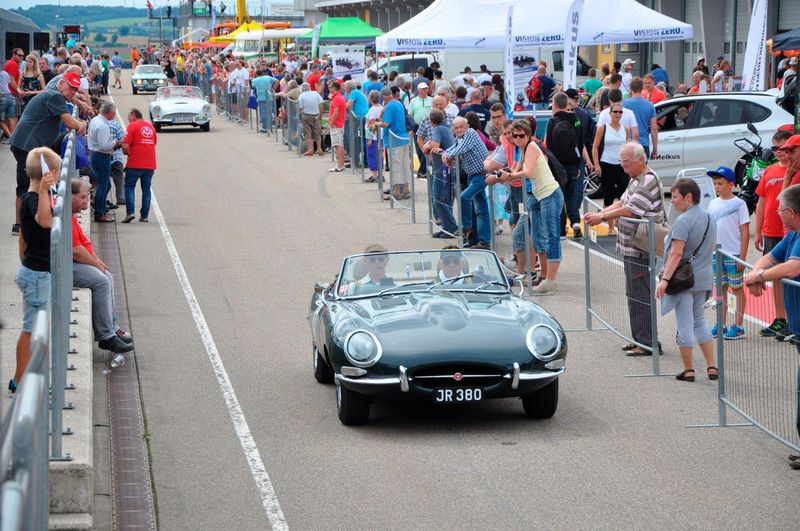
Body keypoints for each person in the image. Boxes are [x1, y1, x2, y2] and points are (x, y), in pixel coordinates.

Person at [584, 142, 666, 356]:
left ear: (641, 160)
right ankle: (640, 337)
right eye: (622, 162)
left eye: (626, 162)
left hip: (640, 247)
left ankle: (647, 342)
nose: (622, 166)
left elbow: (630, 210)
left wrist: (600, 216)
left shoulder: (647, 180)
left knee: (639, 293)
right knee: (634, 293)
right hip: (633, 245)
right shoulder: (636, 179)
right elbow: (621, 203)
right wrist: (601, 212)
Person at [743, 184, 800, 469]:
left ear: (790, 212)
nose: (776, 213)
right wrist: (755, 274)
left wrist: (760, 276)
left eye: (779, 209)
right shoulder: (792, 236)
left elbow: (791, 268)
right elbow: (770, 257)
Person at [655, 178, 717, 382]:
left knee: (684, 322)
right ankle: (711, 366)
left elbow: (676, 254)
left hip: (683, 279)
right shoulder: (709, 217)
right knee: (699, 320)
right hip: (704, 277)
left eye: (674, 197)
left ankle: (689, 369)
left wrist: (664, 280)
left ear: (688, 197)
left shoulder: (683, 221)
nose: (671, 201)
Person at [10, 71, 87, 235]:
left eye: (75, 89)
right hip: (26, 145)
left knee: (33, 184)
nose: (73, 91)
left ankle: (28, 221)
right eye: (70, 87)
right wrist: (82, 125)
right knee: (25, 186)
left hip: (29, 145)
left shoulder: (56, 94)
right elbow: (70, 124)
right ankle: (20, 225)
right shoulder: (55, 97)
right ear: (61, 84)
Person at [10, 147, 59, 394]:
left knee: (32, 329)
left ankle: (20, 378)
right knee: (31, 330)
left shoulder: (31, 198)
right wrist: (43, 190)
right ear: (47, 173)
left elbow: (23, 240)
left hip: (32, 271)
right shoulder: (32, 199)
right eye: (57, 173)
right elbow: (46, 221)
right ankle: (22, 380)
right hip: (37, 275)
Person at [496, 119, 564, 294]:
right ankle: (542, 274)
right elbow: (514, 169)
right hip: (538, 195)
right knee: (537, 235)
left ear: (529, 135)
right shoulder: (523, 149)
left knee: (551, 235)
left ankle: (551, 280)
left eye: (521, 136)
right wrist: (500, 175)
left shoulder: (532, 147)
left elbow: (528, 173)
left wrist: (509, 177)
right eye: (515, 136)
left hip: (549, 194)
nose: (517, 139)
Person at [70, 179, 134, 355]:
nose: (85, 201)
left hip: (72, 261)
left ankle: (112, 327)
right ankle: (106, 336)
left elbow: (84, 243)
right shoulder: (63, 214)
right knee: (101, 281)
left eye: (87, 196)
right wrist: (95, 263)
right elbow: (75, 251)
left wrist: (97, 260)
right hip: (62, 266)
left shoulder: (71, 214)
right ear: (70, 196)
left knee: (107, 275)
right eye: (82, 197)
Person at [754, 130, 793, 338]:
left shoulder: (795, 172)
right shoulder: (769, 171)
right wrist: (759, 230)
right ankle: (780, 318)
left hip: (790, 231)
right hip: (771, 230)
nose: (778, 152)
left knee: (790, 275)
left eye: (782, 148)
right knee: (776, 277)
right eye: (775, 148)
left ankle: (791, 318)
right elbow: (761, 202)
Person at [707, 166, 750, 340]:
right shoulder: (712, 203)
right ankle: (721, 323)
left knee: (737, 288)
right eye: (715, 183)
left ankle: (738, 326)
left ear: (731, 184)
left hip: (733, 253)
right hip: (717, 253)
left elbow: (745, 231)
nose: (717, 187)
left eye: (720, 183)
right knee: (720, 288)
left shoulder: (739, 204)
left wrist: (743, 256)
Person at [439, 116, 490, 249]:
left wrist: (446, 155)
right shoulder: (459, 139)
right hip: (472, 176)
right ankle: (481, 241)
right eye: (456, 128)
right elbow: (453, 148)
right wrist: (446, 154)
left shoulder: (471, 134)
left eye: (461, 126)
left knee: (465, 198)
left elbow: (459, 150)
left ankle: (466, 228)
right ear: (453, 130)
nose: (459, 129)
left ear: (467, 126)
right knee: (480, 209)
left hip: (481, 175)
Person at [546, 92, 585, 239]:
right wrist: (578, 163)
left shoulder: (552, 122)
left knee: (559, 198)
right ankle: (575, 222)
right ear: (567, 104)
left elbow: (549, 147)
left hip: (557, 167)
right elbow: (580, 143)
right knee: (571, 195)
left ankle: (562, 229)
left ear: (555, 105)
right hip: (573, 164)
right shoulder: (576, 120)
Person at [592, 101, 632, 235]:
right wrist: (596, 165)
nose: (618, 114)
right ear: (610, 114)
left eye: (620, 112)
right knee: (608, 196)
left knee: (624, 196)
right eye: (615, 112)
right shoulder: (603, 128)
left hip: (621, 166)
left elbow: (627, 147)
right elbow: (595, 147)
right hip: (606, 164)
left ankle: (621, 224)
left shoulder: (625, 129)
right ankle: (610, 227)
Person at [423, 108, 457, 239]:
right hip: (447, 167)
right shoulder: (446, 127)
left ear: (431, 120)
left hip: (442, 168)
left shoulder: (437, 129)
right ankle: (446, 228)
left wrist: (427, 146)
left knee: (437, 199)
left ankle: (452, 227)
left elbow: (435, 145)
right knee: (445, 200)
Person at [121, 108, 157, 223]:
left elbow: (125, 145)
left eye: (128, 117)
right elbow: (154, 142)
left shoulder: (132, 126)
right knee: (146, 189)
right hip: (150, 163)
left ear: (133, 115)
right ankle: (145, 215)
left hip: (135, 162)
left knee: (129, 187)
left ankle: (130, 212)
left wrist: (127, 153)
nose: (128, 120)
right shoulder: (150, 127)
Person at [89, 101, 122, 222]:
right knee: (103, 185)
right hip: (102, 156)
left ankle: (101, 211)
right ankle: (100, 213)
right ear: (110, 113)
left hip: (97, 154)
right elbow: (104, 145)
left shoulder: (95, 120)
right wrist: (115, 143)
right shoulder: (102, 125)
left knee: (105, 184)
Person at [379, 86, 411, 201]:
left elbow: (386, 123)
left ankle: (397, 191)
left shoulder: (390, 106)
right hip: (403, 138)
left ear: (384, 96)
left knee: (395, 165)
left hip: (394, 140)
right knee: (404, 165)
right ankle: (406, 189)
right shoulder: (398, 103)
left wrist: (377, 124)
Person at [622, 77, 657, 159]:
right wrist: (655, 148)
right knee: (642, 170)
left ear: (630, 88)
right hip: (643, 144)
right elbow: (654, 128)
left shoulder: (625, 104)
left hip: (629, 145)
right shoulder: (650, 105)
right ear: (643, 87)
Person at [408, 82, 433, 178]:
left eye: (426, 89)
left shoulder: (431, 100)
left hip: (429, 126)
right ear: (419, 90)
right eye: (423, 89)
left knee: (426, 147)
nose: (425, 91)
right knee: (419, 149)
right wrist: (411, 128)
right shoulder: (413, 101)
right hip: (417, 126)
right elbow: (410, 115)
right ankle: (423, 169)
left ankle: (422, 170)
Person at [297, 82, 324, 156]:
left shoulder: (301, 96)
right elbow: (321, 104)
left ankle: (310, 149)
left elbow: (300, 107)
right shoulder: (315, 93)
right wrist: (320, 115)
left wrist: (301, 114)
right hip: (316, 115)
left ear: (302, 89)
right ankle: (319, 148)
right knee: (317, 132)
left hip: (306, 115)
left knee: (307, 133)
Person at [327, 80, 347, 172]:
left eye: (330, 87)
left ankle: (340, 165)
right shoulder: (340, 97)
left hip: (336, 125)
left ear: (334, 88)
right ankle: (341, 164)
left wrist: (331, 122)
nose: (329, 88)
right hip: (339, 124)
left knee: (337, 145)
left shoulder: (337, 98)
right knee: (339, 145)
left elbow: (336, 111)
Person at [364, 90, 382, 183]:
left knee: (372, 155)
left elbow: (370, 124)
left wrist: (370, 138)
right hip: (380, 136)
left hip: (373, 136)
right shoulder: (381, 108)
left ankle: (375, 175)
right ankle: (379, 173)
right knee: (379, 155)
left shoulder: (372, 110)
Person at [251, 69, 278, 133]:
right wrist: (273, 89)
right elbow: (277, 81)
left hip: (261, 98)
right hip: (269, 97)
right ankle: (270, 128)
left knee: (263, 113)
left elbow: (253, 86)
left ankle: (265, 127)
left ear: (256, 74)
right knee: (269, 112)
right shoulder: (268, 77)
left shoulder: (255, 80)